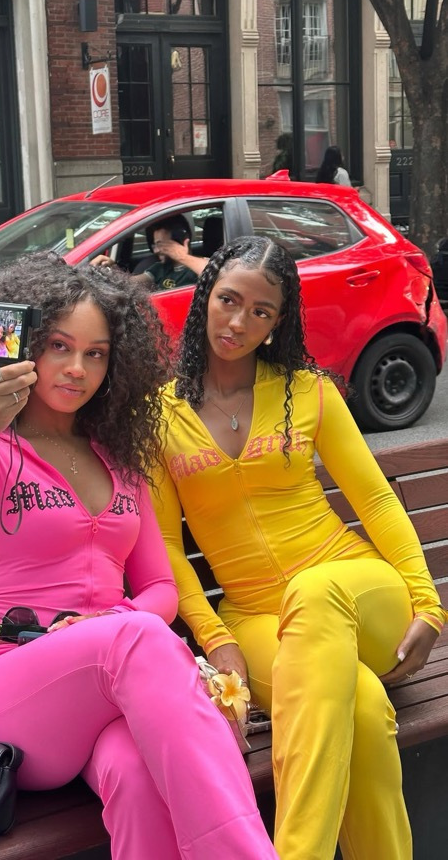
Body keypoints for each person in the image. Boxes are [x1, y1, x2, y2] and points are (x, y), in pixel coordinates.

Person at [0, 253, 276, 860]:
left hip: (105, 691)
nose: (77, 369)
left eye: (96, 354)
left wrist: (105, 622)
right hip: (7, 689)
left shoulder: (120, 459)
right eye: (60, 347)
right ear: (27, 347)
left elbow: (160, 588)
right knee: (137, 638)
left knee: (139, 775)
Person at [150, 235, 446, 860]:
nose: (239, 322)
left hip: (357, 591)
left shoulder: (308, 390)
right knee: (362, 708)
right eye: (229, 300)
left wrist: (428, 603)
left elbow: (375, 500)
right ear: (205, 297)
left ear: (277, 323)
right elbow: (165, 545)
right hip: (255, 616)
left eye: (261, 311)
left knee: (316, 590)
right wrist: (216, 638)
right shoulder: (157, 416)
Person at [92, 213, 208, 288]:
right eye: (155, 245)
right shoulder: (159, 268)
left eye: (161, 244)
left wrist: (183, 257)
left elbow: (214, 275)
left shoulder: (201, 266)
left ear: (181, 241)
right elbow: (129, 283)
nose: (156, 251)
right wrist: (111, 269)